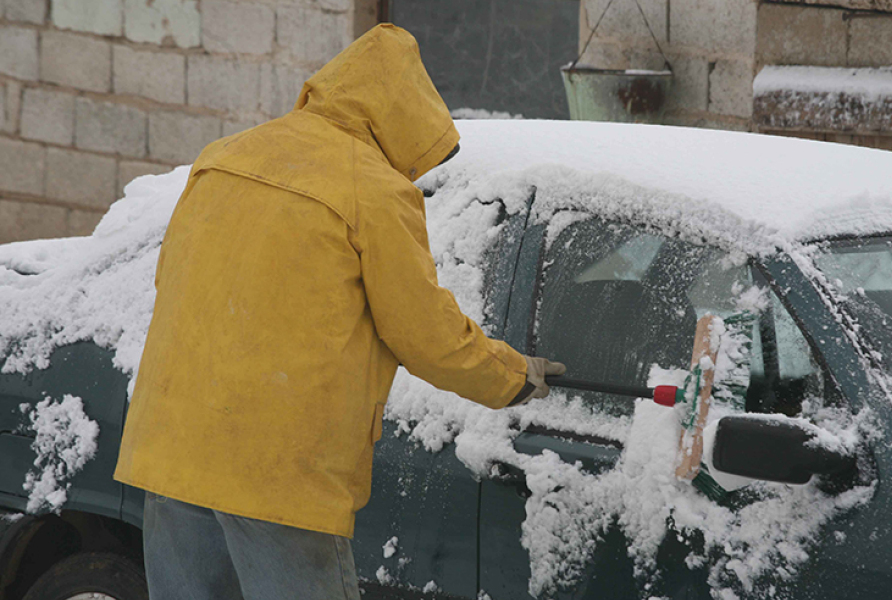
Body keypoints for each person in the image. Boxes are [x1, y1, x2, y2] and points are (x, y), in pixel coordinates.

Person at [114, 24, 564, 600]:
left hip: (169, 447)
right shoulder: (374, 192)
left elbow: (172, 280)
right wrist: (513, 377)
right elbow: (426, 335)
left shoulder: (224, 156)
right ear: (403, 115)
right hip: (277, 470)